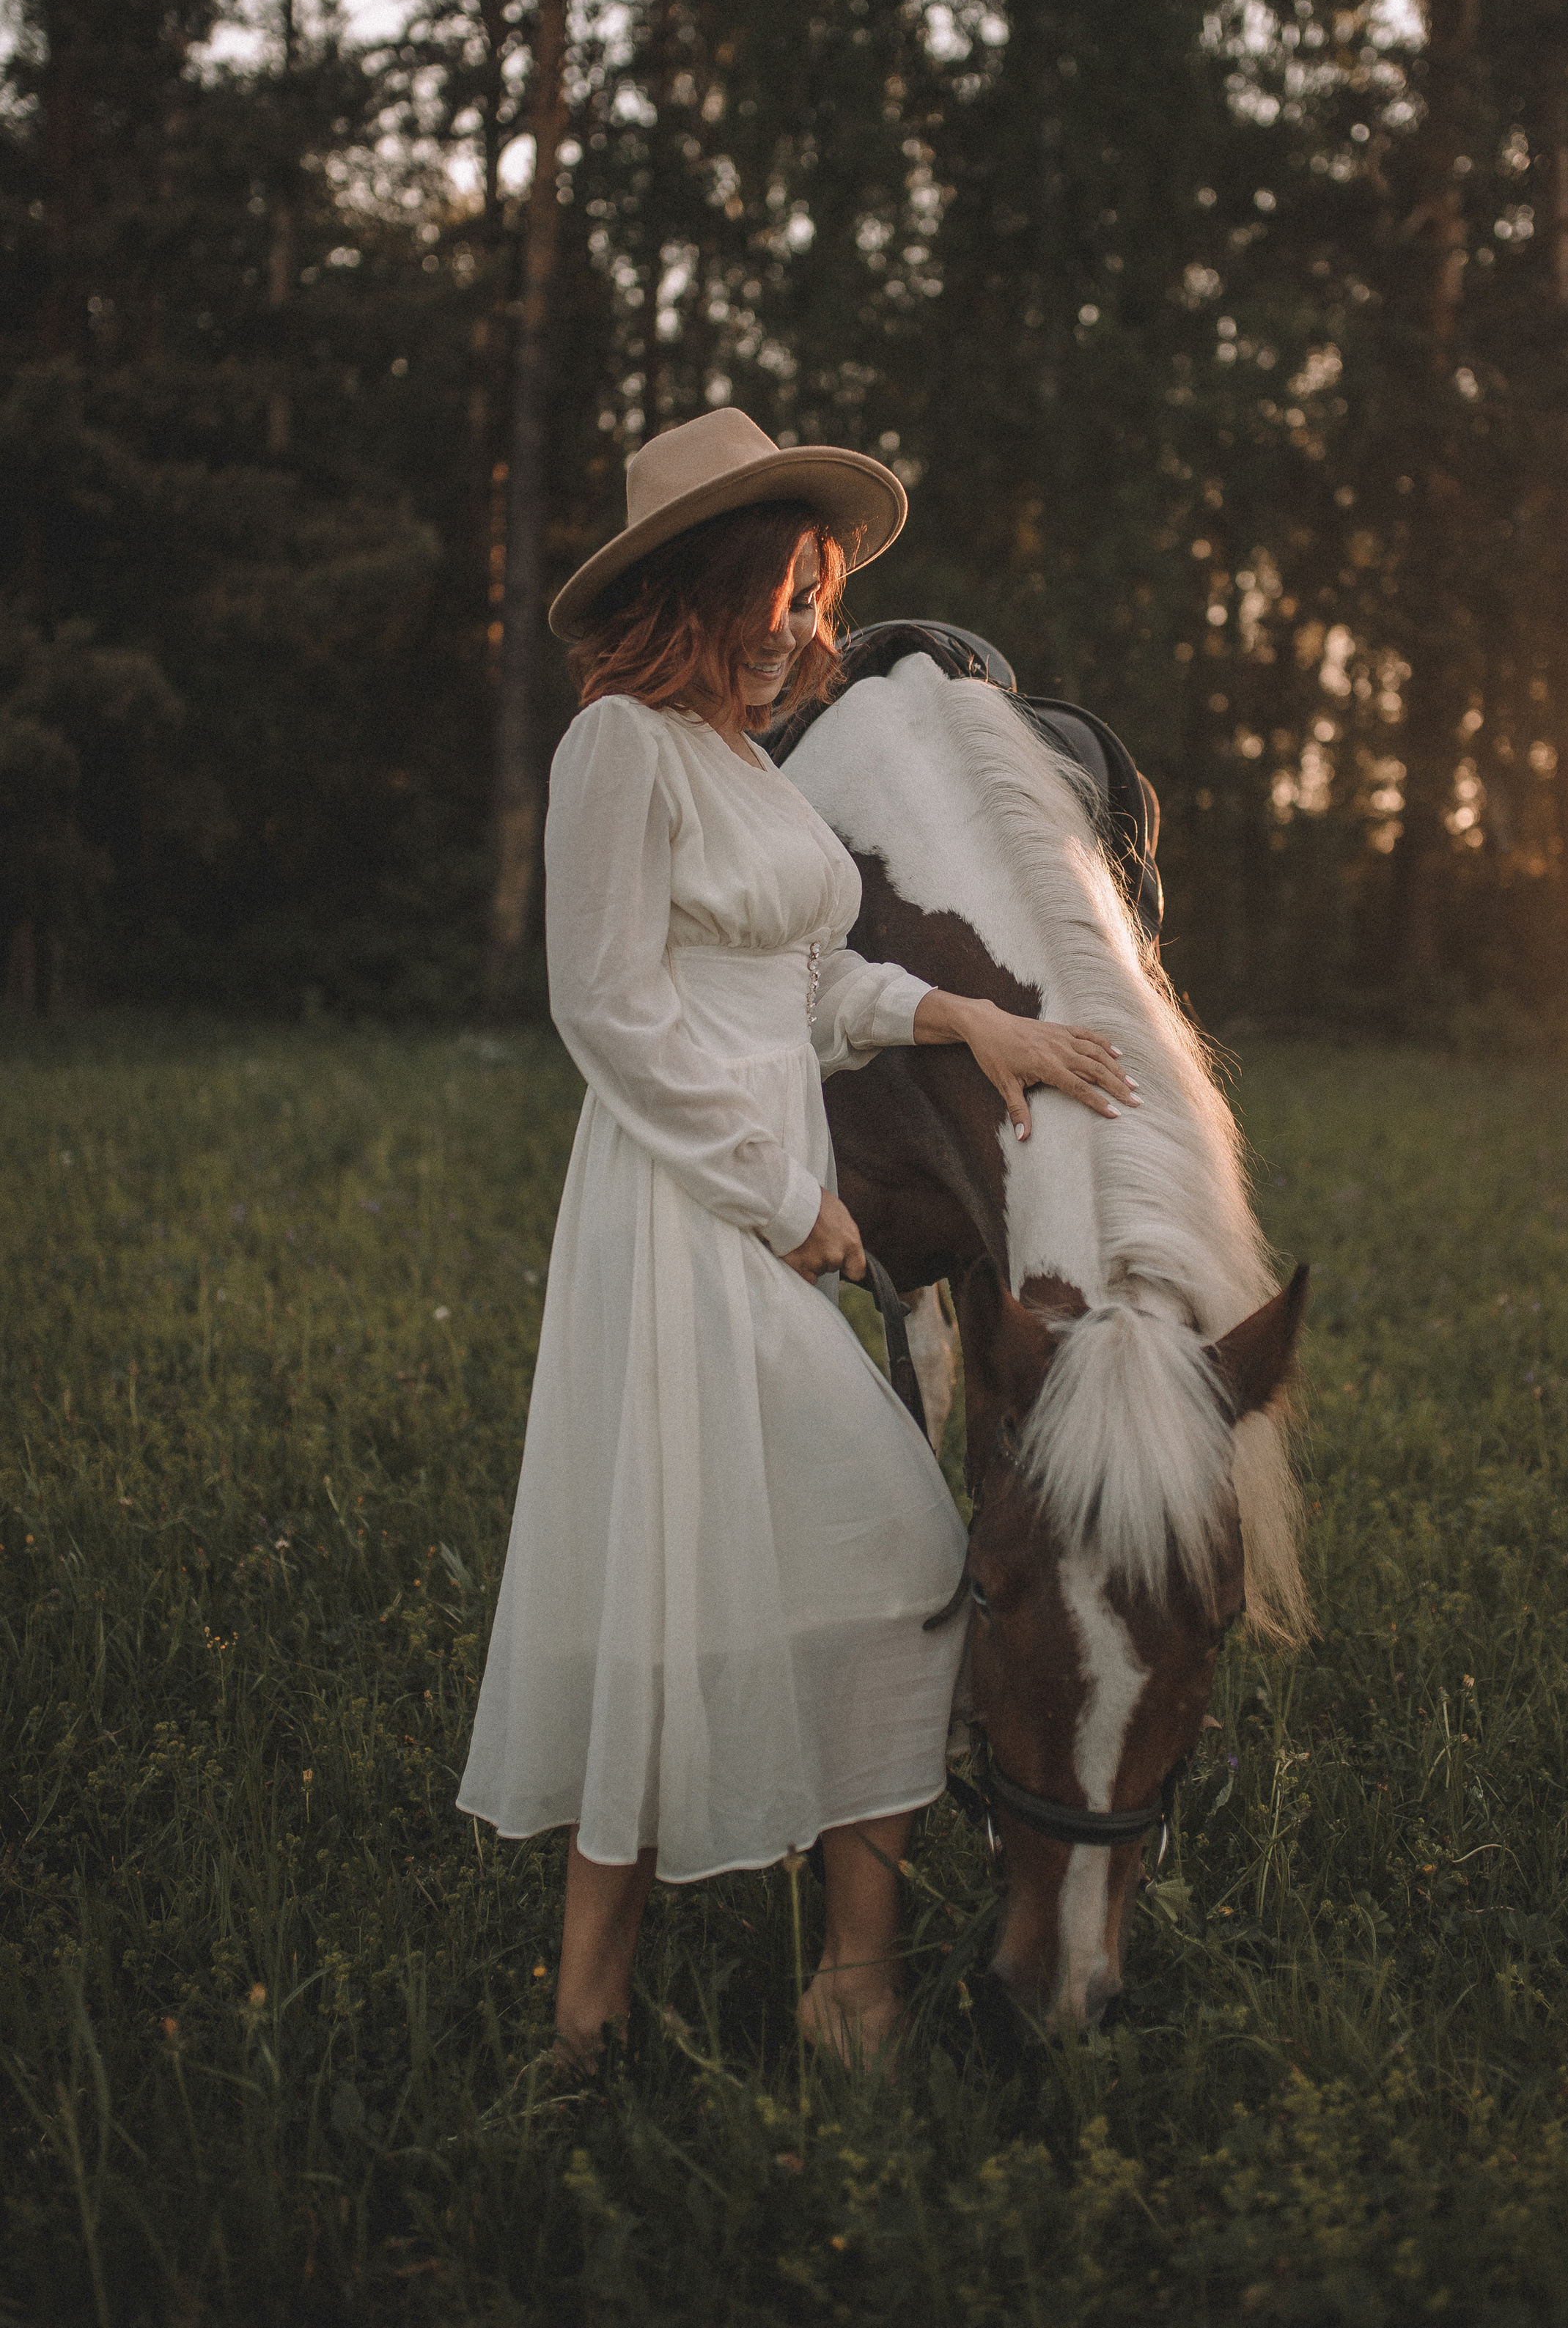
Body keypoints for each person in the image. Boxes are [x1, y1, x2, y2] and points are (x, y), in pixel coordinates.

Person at [457, 406, 1136, 2070]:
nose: (805, 626)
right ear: (706, 581)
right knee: (707, 1589)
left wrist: (971, 1019)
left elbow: (809, 987)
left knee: (856, 1566)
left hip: (755, 1213)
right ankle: (594, 2019)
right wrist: (791, 1201)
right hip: (683, 1214)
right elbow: (607, 1012)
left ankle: (850, 1982)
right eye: (787, 590)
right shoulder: (619, 750)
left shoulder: (747, 768)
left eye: (820, 595)